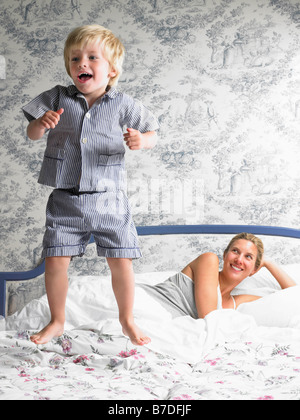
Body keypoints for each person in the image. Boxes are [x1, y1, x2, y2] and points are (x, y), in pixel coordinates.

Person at [22, 24, 159, 346]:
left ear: (112, 70)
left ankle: (127, 320)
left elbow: (153, 133)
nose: (82, 63)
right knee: (55, 260)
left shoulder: (123, 104)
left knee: (120, 259)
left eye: (92, 58)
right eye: (75, 58)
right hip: (65, 198)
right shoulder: (57, 97)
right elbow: (31, 133)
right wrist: (40, 124)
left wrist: (142, 140)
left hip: (108, 197)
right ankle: (57, 320)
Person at [138, 233, 296, 319]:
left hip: (156, 321)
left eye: (248, 257)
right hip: (139, 302)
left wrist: (269, 263)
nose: (239, 259)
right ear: (225, 255)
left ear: (254, 270)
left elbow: (293, 296)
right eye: (235, 251)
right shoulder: (209, 260)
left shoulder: (237, 302)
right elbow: (208, 318)